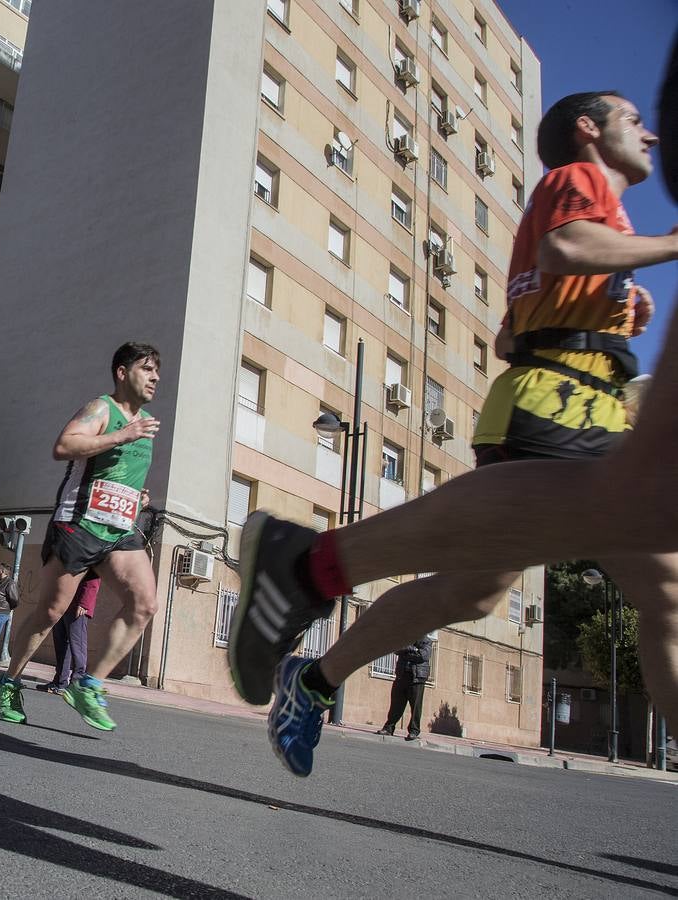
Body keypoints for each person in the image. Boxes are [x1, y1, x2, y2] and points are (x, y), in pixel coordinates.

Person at [228, 85, 678, 777]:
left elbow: (506, 333)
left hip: (586, 404)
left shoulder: (605, 217)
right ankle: (309, 564)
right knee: (660, 588)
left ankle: (311, 680)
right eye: (634, 121)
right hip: (554, 405)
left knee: (478, 593)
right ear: (589, 129)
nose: (648, 135)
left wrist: (611, 313)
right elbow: (564, 246)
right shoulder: (579, 179)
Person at [0, 341, 161, 732]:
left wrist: (136, 497)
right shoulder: (102, 408)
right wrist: (122, 434)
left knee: (144, 604)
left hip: (119, 530)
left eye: (157, 372)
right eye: (146, 369)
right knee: (50, 613)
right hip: (79, 523)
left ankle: (89, 685)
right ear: (122, 372)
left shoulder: (145, 424)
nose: (154, 377)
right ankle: (9, 681)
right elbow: (65, 446)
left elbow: (119, 473)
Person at [38, 572, 101, 693]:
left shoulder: (88, 555)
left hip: (77, 606)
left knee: (77, 646)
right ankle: (60, 682)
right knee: (61, 645)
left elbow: (94, 577)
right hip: (61, 605)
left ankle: (76, 684)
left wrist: (84, 603)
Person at [377, 636, 432, 741]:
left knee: (415, 707)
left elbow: (423, 656)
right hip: (402, 675)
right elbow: (396, 649)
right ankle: (388, 728)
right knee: (396, 705)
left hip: (417, 678)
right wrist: (412, 649)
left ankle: (414, 731)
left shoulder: (427, 641)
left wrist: (405, 652)